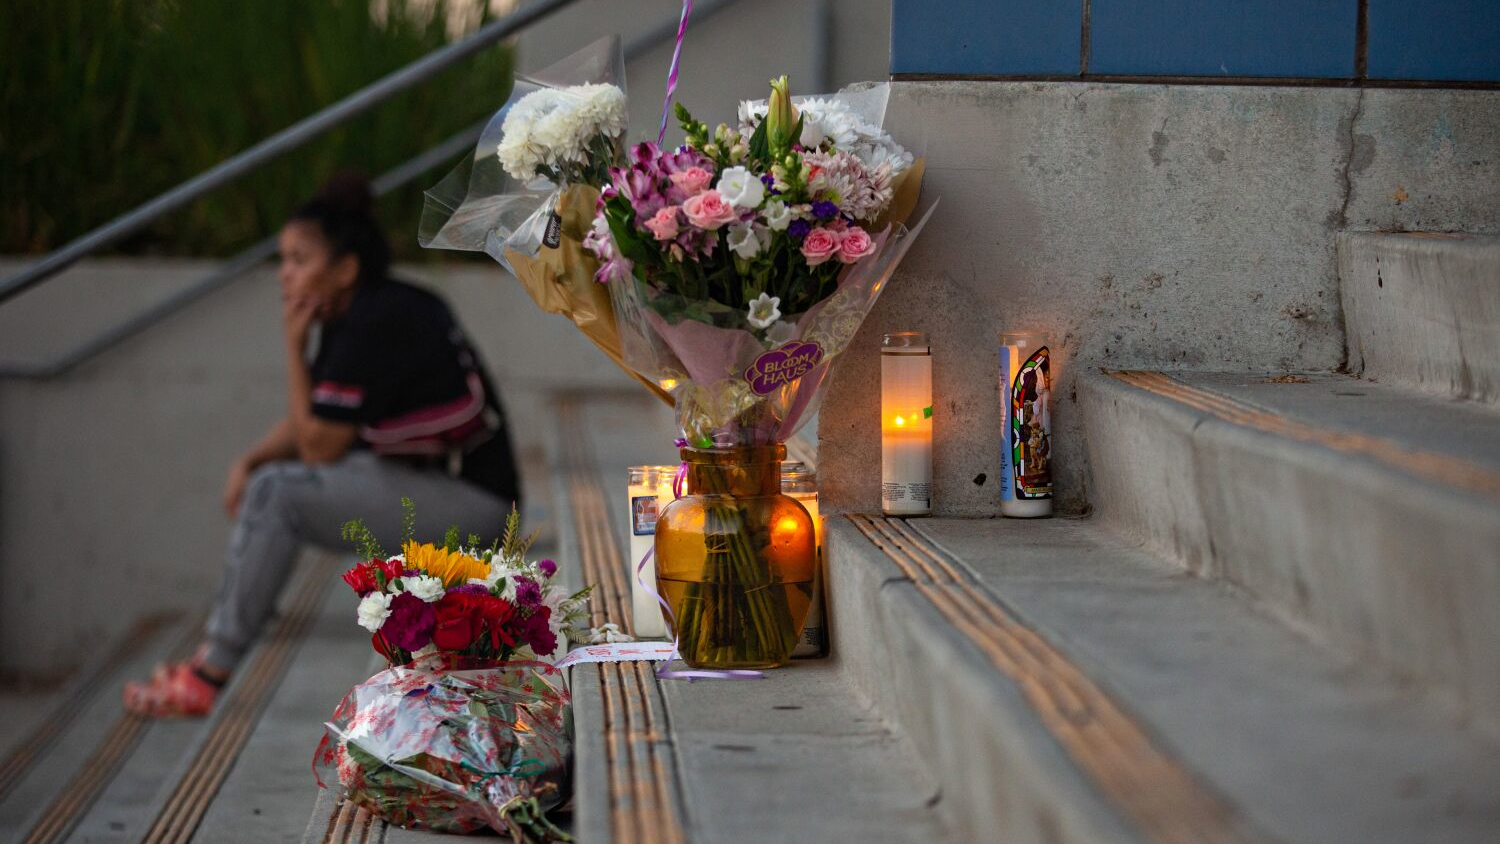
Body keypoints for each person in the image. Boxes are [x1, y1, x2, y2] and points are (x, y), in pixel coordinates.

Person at [123, 175, 520, 717]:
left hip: (469, 507)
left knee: (275, 494)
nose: (284, 274)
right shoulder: (369, 308)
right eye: (284, 259)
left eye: (298, 259)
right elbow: (321, 420)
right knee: (270, 482)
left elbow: (316, 447)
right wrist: (252, 458)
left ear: (345, 268)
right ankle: (242, 617)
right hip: (445, 488)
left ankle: (208, 672)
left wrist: (292, 345)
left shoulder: (371, 322)